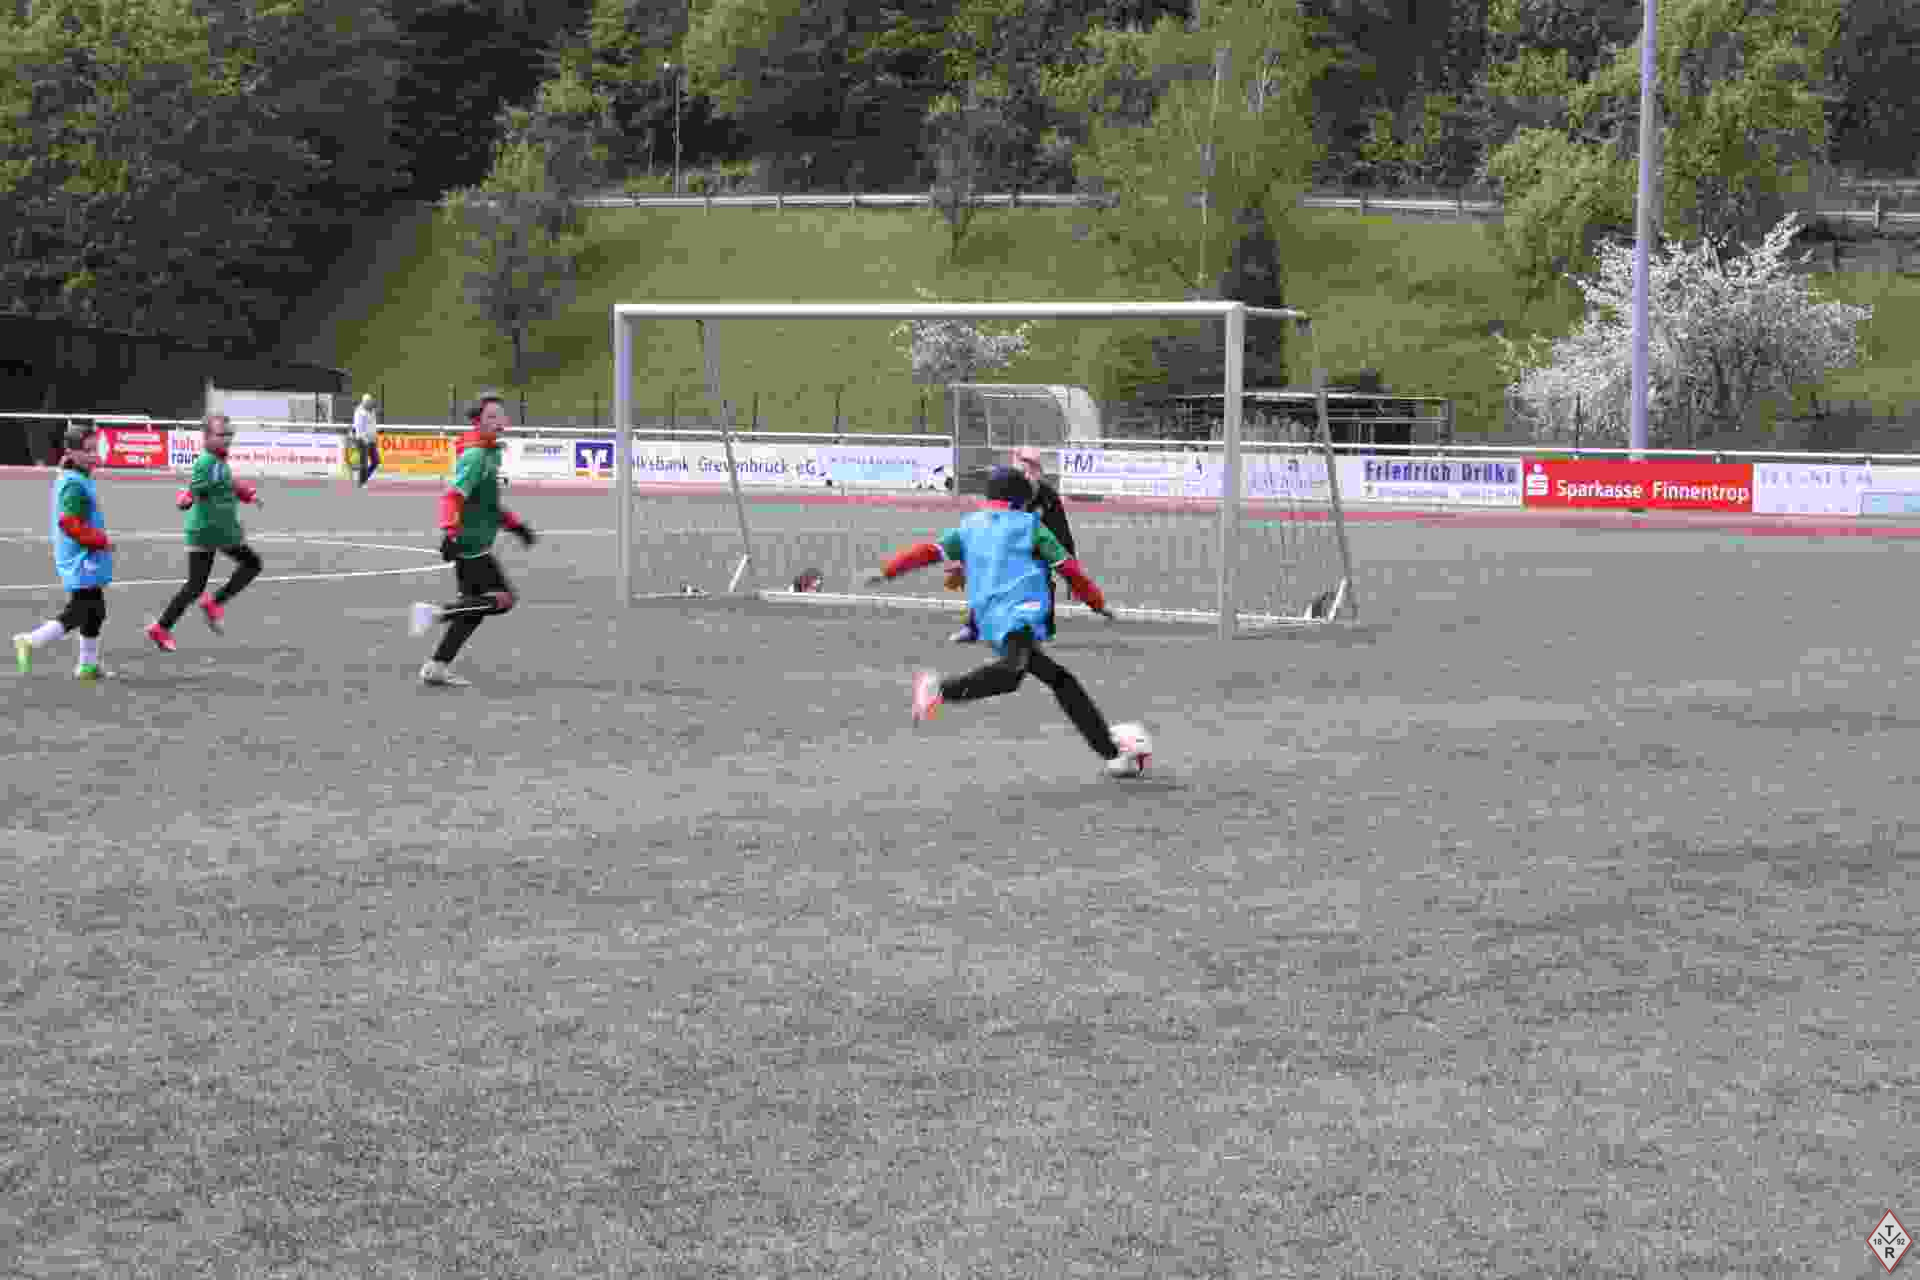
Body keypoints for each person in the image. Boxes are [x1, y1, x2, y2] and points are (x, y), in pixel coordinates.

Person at [868, 465, 1137, 777]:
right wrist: (1097, 603)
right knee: (1012, 673)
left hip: (989, 618)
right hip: (1020, 611)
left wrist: (888, 571)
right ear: (1021, 500)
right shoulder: (1031, 526)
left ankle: (1113, 754)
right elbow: (1069, 568)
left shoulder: (970, 526)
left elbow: (928, 552)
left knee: (1058, 679)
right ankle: (940, 689)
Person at [407, 393, 537, 687]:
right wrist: (450, 533)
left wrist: (515, 526)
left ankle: (436, 667)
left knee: (473, 610)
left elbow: (487, 505)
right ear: (478, 422)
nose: (498, 421)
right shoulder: (477, 456)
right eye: (491, 416)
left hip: (475, 544)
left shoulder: (489, 453)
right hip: (471, 546)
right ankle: (437, 613)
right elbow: (452, 496)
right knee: (503, 599)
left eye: (500, 415)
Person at [146, 414, 265, 652]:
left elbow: (226, 483)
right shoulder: (207, 462)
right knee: (252, 564)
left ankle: (162, 627)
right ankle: (212, 604)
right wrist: (188, 498)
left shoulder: (217, 462)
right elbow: (197, 488)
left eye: (230, 434)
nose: (227, 439)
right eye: (222, 435)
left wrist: (247, 494)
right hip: (211, 531)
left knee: (195, 586)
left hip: (210, 531)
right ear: (207, 437)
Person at [14, 422, 115, 680]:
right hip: (81, 556)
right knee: (81, 610)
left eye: (95, 449)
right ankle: (30, 640)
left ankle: (87, 665)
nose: (93, 455)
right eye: (87, 450)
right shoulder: (74, 484)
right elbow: (69, 523)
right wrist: (100, 541)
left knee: (95, 610)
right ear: (71, 452)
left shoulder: (77, 476)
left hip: (83, 554)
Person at [952, 445, 1078, 643]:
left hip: (1036, 550)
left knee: (1043, 581)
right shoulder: (1004, 491)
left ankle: (1044, 630)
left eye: (1032, 467)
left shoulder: (1048, 497)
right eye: (1023, 466)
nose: (1027, 472)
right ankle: (972, 628)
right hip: (1004, 547)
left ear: (1039, 470)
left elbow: (1062, 534)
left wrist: (1072, 575)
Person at [352, 392, 380, 487]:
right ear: (364, 402)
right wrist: (364, 439)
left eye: (371, 401)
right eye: (369, 402)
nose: (370, 403)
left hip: (372, 440)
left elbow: (373, 424)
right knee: (363, 462)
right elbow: (358, 427)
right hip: (362, 440)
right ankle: (361, 482)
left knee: (376, 461)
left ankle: (363, 479)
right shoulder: (359, 412)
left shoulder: (372, 411)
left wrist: (375, 436)